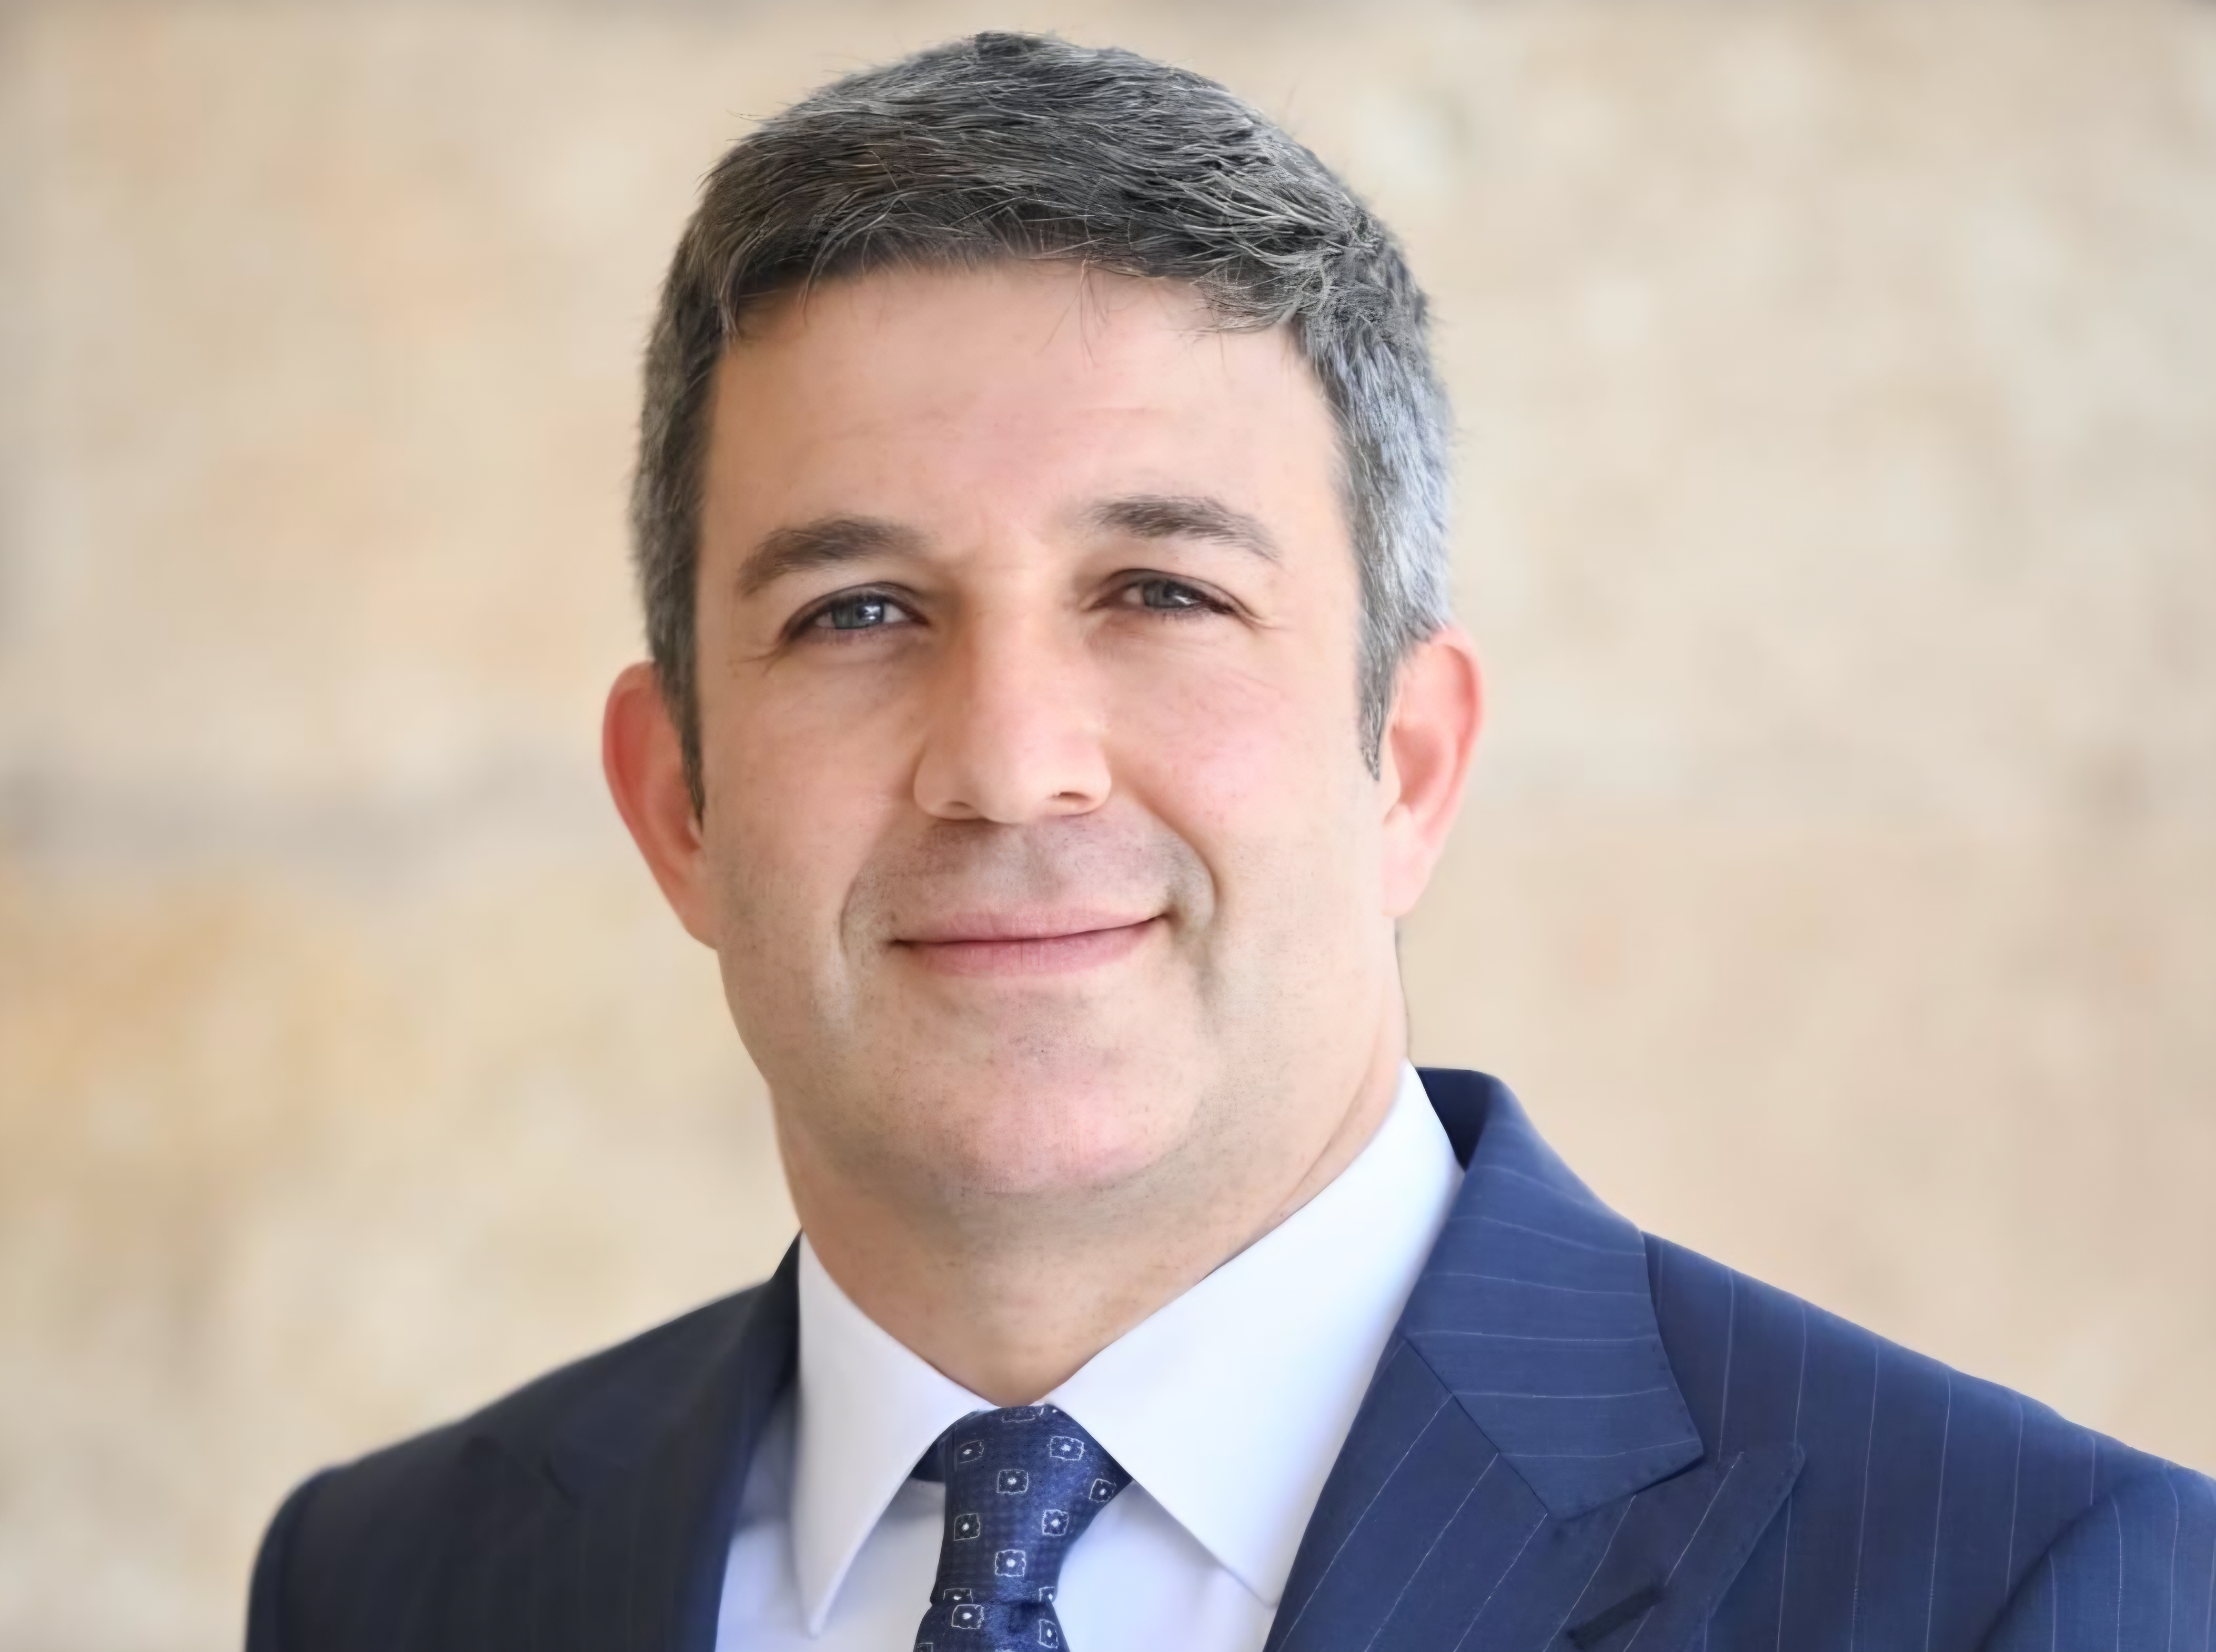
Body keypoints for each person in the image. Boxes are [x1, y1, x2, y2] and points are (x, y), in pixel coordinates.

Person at [246, 32, 2211, 1652]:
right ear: (677, 801)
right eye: (858, 610)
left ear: (1406, 763)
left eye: (1161, 591)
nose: (1008, 766)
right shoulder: (394, 1585)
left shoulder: (2017, 1590)